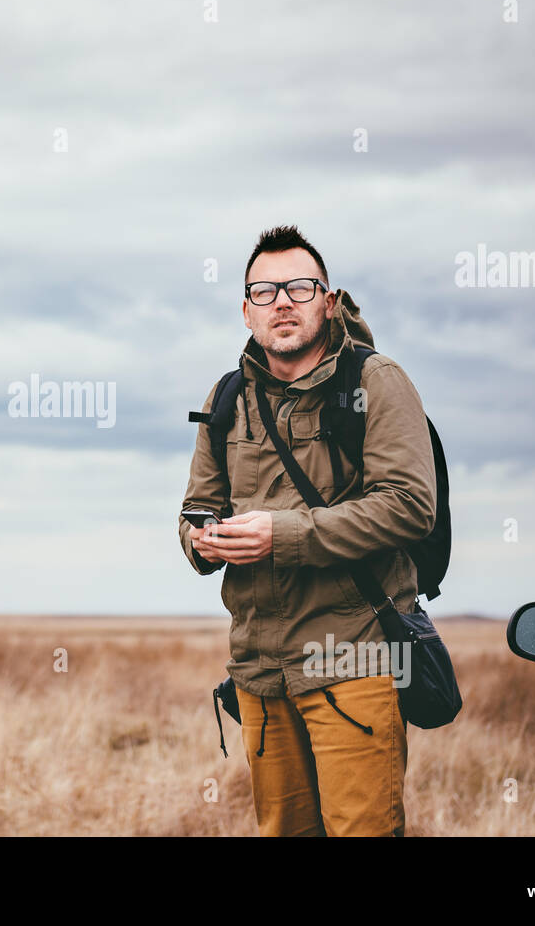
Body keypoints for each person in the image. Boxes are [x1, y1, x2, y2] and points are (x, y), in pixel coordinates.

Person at [179, 225, 436, 836]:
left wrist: (283, 535)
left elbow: (409, 506)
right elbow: (196, 506)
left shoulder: (376, 381)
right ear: (246, 312)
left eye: (299, 286)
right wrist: (202, 539)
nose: (283, 302)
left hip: (354, 658)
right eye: (264, 292)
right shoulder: (226, 398)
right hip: (259, 670)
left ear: (328, 299)